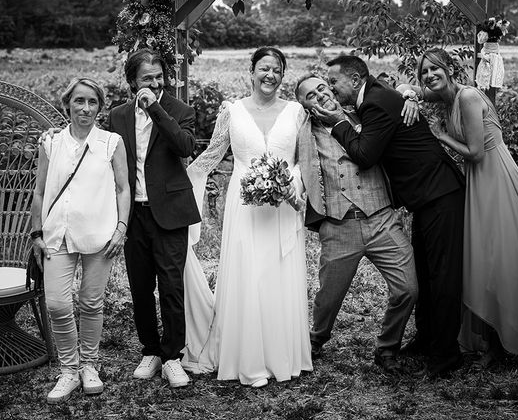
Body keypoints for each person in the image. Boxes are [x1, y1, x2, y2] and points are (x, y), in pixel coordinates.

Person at [404, 49, 518, 368]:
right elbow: (401, 89)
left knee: (500, 259)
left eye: (436, 69)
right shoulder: (442, 98)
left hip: (496, 178)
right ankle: (492, 340)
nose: (430, 75)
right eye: (424, 72)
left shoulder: (468, 97)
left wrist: (440, 136)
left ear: (450, 69)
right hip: (476, 183)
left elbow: (475, 153)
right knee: (482, 259)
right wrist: (408, 93)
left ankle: (507, 341)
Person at [313, 55, 466, 378]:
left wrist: (337, 122)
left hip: (441, 193)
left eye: (333, 82)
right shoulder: (378, 95)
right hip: (424, 198)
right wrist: (408, 91)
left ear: (355, 80)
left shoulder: (375, 102)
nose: (330, 88)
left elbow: (365, 155)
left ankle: (446, 354)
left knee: (443, 276)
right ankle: (426, 340)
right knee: (424, 274)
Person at [183, 47, 312, 387]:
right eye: (264, 68)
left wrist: (291, 184)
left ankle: (281, 355)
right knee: (248, 275)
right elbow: (212, 155)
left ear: (283, 75)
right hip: (244, 208)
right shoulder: (232, 110)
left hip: (283, 205)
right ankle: (247, 356)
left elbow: (304, 160)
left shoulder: (297, 111)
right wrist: (178, 178)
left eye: (277, 70)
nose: (270, 75)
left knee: (278, 274)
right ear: (251, 71)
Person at [295, 74, 418, 374]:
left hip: (381, 218)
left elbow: (392, 92)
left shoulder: (364, 112)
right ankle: (316, 338)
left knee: (408, 290)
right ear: (304, 107)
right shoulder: (303, 132)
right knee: (328, 296)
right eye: (311, 95)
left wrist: (409, 93)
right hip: (338, 225)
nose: (320, 95)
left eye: (322, 87)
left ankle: (387, 347)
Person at [30, 78, 130, 404]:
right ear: (68, 104)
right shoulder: (51, 142)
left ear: (100, 107)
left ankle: (89, 365)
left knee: (91, 303)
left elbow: (122, 188)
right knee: (57, 303)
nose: (85, 108)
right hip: (57, 233)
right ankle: (68, 370)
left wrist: (121, 228)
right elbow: (41, 190)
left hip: (100, 235)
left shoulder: (111, 142)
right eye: (79, 101)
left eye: (92, 102)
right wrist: (36, 232)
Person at [106, 49, 201, 388]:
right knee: (140, 286)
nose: (155, 83)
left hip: (171, 214)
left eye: (158, 77)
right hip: (133, 216)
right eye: (147, 78)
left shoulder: (179, 110)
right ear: (132, 81)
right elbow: (101, 153)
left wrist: (155, 108)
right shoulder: (117, 116)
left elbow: (185, 146)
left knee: (172, 286)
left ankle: (173, 356)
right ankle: (150, 350)